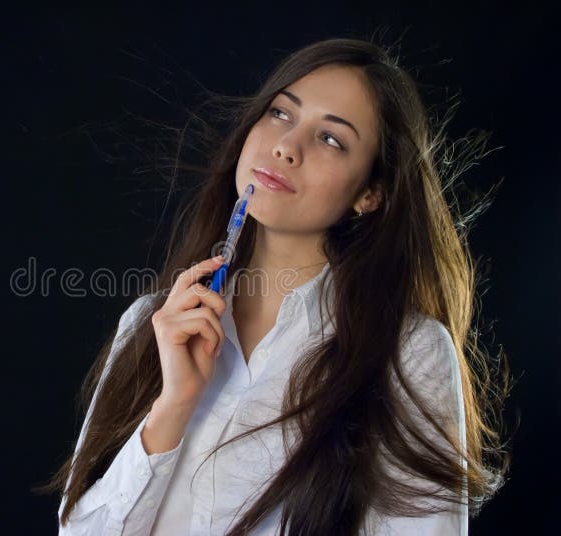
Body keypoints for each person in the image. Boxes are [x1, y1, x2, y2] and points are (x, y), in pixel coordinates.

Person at [38, 36, 509, 535]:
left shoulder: (408, 354)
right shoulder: (151, 322)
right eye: (281, 114)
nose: (286, 146)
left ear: (370, 194)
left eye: (331, 139)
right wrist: (173, 406)